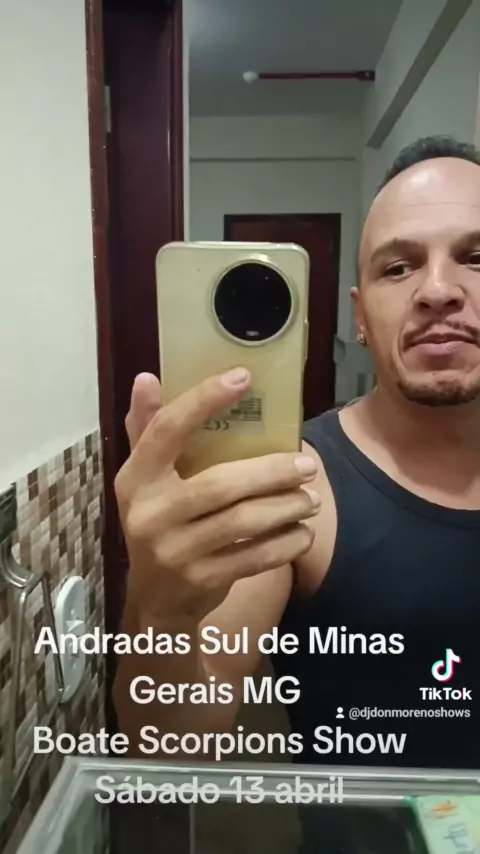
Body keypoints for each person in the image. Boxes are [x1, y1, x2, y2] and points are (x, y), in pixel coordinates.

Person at [113, 135, 480, 848]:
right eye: (398, 266)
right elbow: (172, 749)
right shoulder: (295, 482)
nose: (438, 290)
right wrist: (159, 605)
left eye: (477, 256)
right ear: (360, 316)